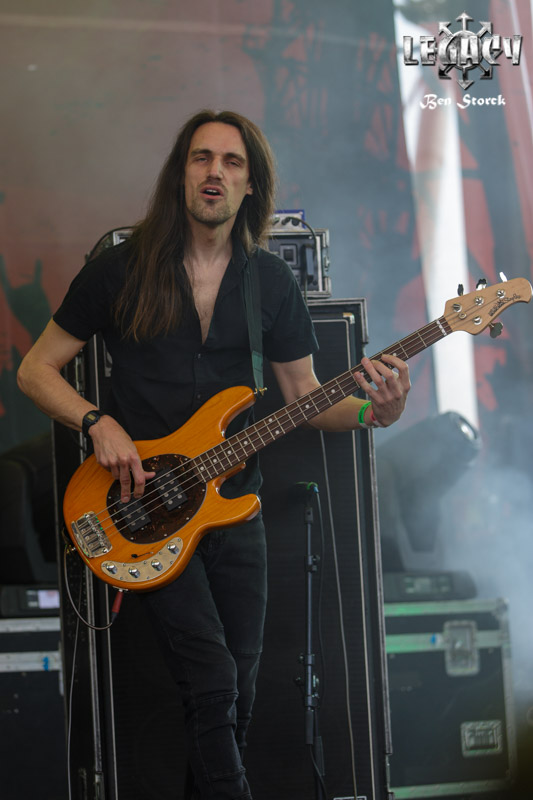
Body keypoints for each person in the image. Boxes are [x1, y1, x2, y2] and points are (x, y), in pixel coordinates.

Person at [17, 109, 410, 800]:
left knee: (238, 691)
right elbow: (35, 370)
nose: (214, 173)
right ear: (181, 173)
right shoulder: (120, 270)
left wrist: (375, 412)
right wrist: (97, 422)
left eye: (232, 163)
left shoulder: (270, 283)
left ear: (250, 185)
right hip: (143, 507)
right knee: (213, 678)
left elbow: (307, 397)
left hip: (231, 511)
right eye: (201, 158)